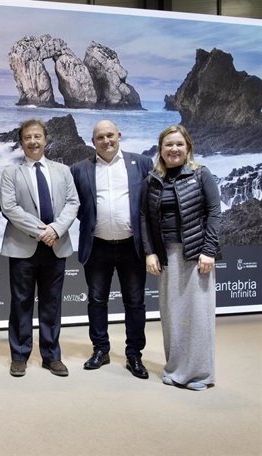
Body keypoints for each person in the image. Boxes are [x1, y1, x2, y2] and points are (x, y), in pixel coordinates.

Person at [70, 120, 153, 379]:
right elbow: (76, 207)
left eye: (110, 136)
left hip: (132, 247)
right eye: (100, 137)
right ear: (92, 141)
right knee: (96, 301)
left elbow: (149, 205)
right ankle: (100, 350)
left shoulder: (141, 163)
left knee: (135, 303)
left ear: (119, 136)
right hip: (97, 246)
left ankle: (134, 355)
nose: (106, 141)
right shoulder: (79, 169)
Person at [142, 124, 221, 391]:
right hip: (167, 255)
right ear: (161, 150)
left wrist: (209, 251)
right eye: (168, 145)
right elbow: (144, 218)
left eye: (179, 144)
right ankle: (175, 369)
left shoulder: (202, 175)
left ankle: (200, 374)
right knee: (172, 315)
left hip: (196, 254)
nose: (173, 149)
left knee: (198, 316)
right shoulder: (153, 179)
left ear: (188, 147)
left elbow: (214, 213)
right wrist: (149, 251)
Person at [0, 119, 79, 377]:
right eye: (27, 138)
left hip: (56, 245)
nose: (33, 142)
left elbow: (72, 203)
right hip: (23, 246)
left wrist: (55, 229)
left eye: (37, 137)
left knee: (51, 304)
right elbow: (10, 208)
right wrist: (41, 231)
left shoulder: (62, 170)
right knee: (21, 303)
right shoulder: (11, 173)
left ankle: (51, 356)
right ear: (21, 141)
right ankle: (20, 356)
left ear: (46, 139)